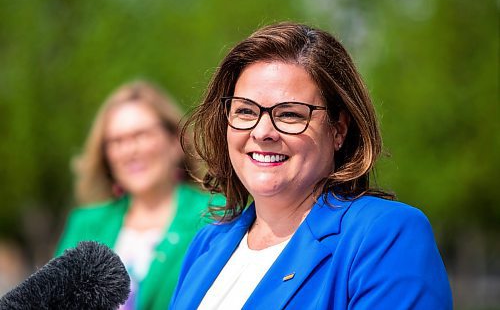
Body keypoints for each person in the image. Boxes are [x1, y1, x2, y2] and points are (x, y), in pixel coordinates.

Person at [169, 22, 453, 309]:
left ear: (338, 129)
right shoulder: (208, 242)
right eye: (245, 111)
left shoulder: (384, 235)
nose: (262, 131)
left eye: (290, 114)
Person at [56, 81, 219, 310]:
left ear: (174, 141)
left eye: (141, 135)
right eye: (117, 141)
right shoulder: (85, 225)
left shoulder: (215, 216)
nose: (130, 151)